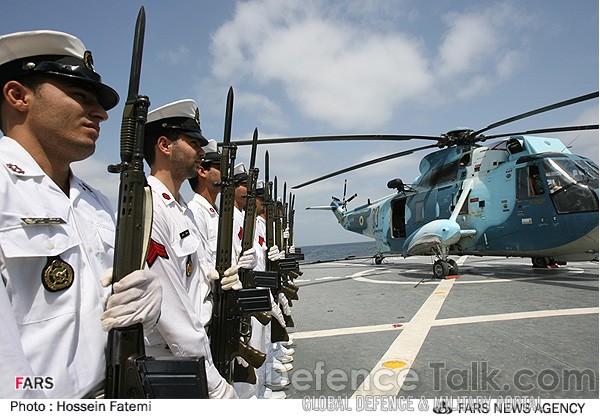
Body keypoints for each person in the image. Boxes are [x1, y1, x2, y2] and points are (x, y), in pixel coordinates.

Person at [0, 30, 161, 398]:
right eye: (79, 95)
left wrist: (149, 306)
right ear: (18, 96)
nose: (101, 114)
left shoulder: (98, 203)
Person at [141, 99, 239, 398]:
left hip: (198, 345)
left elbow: (194, 278)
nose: (201, 152)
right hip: (175, 360)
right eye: (193, 143)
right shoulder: (151, 207)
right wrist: (214, 383)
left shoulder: (182, 210)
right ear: (164, 145)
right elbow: (171, 312)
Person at [187, 140, 221, 328]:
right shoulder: (195, 213)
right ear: (202, 171)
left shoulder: (215, 213)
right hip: (208, 308)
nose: (226, 173)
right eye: (220, 167)